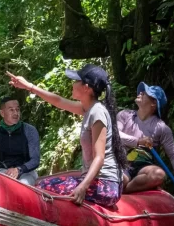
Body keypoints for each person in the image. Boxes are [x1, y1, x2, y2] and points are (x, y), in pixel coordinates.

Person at [7, 64, 128, 207]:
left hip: (105, 185)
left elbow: (99, 157)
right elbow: (58, 101)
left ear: (86, 87)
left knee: (42, 188)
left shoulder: (97, 112)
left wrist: (83, 187)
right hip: (99, 182)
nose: (73, 83)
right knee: (41, 182)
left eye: (77, 80)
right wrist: (29, 86)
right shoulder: (88, 108)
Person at [118, 82, 174, 201]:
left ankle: (126, 189)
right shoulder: (125, 115)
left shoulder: (161, 128)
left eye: (145, 93)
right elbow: (115, 135)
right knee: (121, 178)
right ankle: (122, 183)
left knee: (159, 174)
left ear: (153, 103)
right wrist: (139, 141)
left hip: (143, 169)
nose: (140, 93)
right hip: (122, 163)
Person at [0, 97, 41, 186]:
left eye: (17, 109)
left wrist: (18, 169)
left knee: (22, 185)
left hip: (26, 173)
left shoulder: (30, 130)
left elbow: (35, 160)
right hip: (3, 172)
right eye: (11, 110)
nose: (16, 113)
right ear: (2, 113)